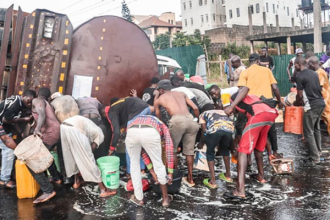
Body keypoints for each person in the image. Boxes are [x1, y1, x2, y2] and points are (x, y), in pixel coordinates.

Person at [224, 87, 278, 199]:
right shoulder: (252, 99)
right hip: (270, 114)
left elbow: (245, 88)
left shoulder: (234, 98)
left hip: (258, 114)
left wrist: (231, 106)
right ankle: (261, 176)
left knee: (242, 151)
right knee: (259, 147)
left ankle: (240, 189)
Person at [238, 53, 284, 159]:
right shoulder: (266, 70)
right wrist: (279, 101)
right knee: (271, 129)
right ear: (258, 61)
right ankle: (274, 152)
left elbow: (241, 90)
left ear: (249, 62)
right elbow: (275, 87)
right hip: (268, 104)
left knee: (249, 130)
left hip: (252, 106)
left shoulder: (245, 72)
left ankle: (247, 156)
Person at [154, 80, 199, 187]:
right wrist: (196, 119)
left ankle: (174, 176)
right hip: (191, 120)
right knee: (189, 151)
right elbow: (195, 108)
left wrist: (156, 97)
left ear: (161, 90)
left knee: (172, 150)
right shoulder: (182, 94)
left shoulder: (160, 99)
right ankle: (190, 179)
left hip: (177, 121)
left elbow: (158, 116)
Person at [60, 115, 116, 197]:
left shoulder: (89, 125)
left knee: (73, 156)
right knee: (89, 160)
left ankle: (76, 182)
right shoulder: (99, 133)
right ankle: (103, 189)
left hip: (64, 127)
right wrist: (90, 152)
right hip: (75, 129)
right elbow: (92, 146)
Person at [126, 115, 174, 207]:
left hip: (131, 132)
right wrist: (170, 172)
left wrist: (152, 172)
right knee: (158, 163)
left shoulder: (139, 119)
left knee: (134, 164)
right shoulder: (163, 126)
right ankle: (165, 199)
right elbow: (169, 149)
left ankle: (139, 198)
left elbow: (142, 152)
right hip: (150, 133)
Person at [0, 90, 36, 189]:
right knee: (9, 151)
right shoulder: (15, 104)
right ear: (23, 96)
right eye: (29, 100)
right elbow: (5, 119)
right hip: (1, 125)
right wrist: (24, 120)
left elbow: (13, 120)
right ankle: (4, 179)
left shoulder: (19, 103)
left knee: (7, 150)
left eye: (31, 102)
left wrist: (21, 132)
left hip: (5, 127)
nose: (29, 103)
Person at [30, 88, 61, 203]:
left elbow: (41, 113)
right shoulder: (48, 103)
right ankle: (56, 178)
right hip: (56, 132)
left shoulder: (37, 101)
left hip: (49, 134)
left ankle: (48, 191)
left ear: (38, 94)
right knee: (45, 154)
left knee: (33, 162)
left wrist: (37, 128)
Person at [108, 97, 151, 176]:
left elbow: (116, 132)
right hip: (147, 108)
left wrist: (112, 148)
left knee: (130, 144)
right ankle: (141, 169)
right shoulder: (122, 105)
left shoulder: (111, 111)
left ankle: (130, 172)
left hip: (138, 111)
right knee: (139, 142)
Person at [294, 57, 325, 164]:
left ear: (298, 64)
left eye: (295, 65)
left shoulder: (300, 76)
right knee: (316, 129)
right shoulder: (314, 73)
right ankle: (318, 153)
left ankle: (315, 157)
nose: (294, 66)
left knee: (308, 132)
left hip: (311, 106)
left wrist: (295, 103)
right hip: (320, 103)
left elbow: (299, 95)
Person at [198, 108, 234, 189]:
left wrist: (202, 143)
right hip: (229, 129)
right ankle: (228, 176)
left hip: (215, 130)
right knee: (225, 150)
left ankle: (213, 181)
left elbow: (204, 131)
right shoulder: (222, 112)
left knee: (210, 153)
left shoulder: (203, 114)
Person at [308, 56, 330, 136]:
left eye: (308, 64)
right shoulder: (317, 72)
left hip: (325, 97)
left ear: (313, 64)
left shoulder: (320, 72)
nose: (308, 65)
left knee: (328, 116)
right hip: (322, 97)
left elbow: (319, 87)